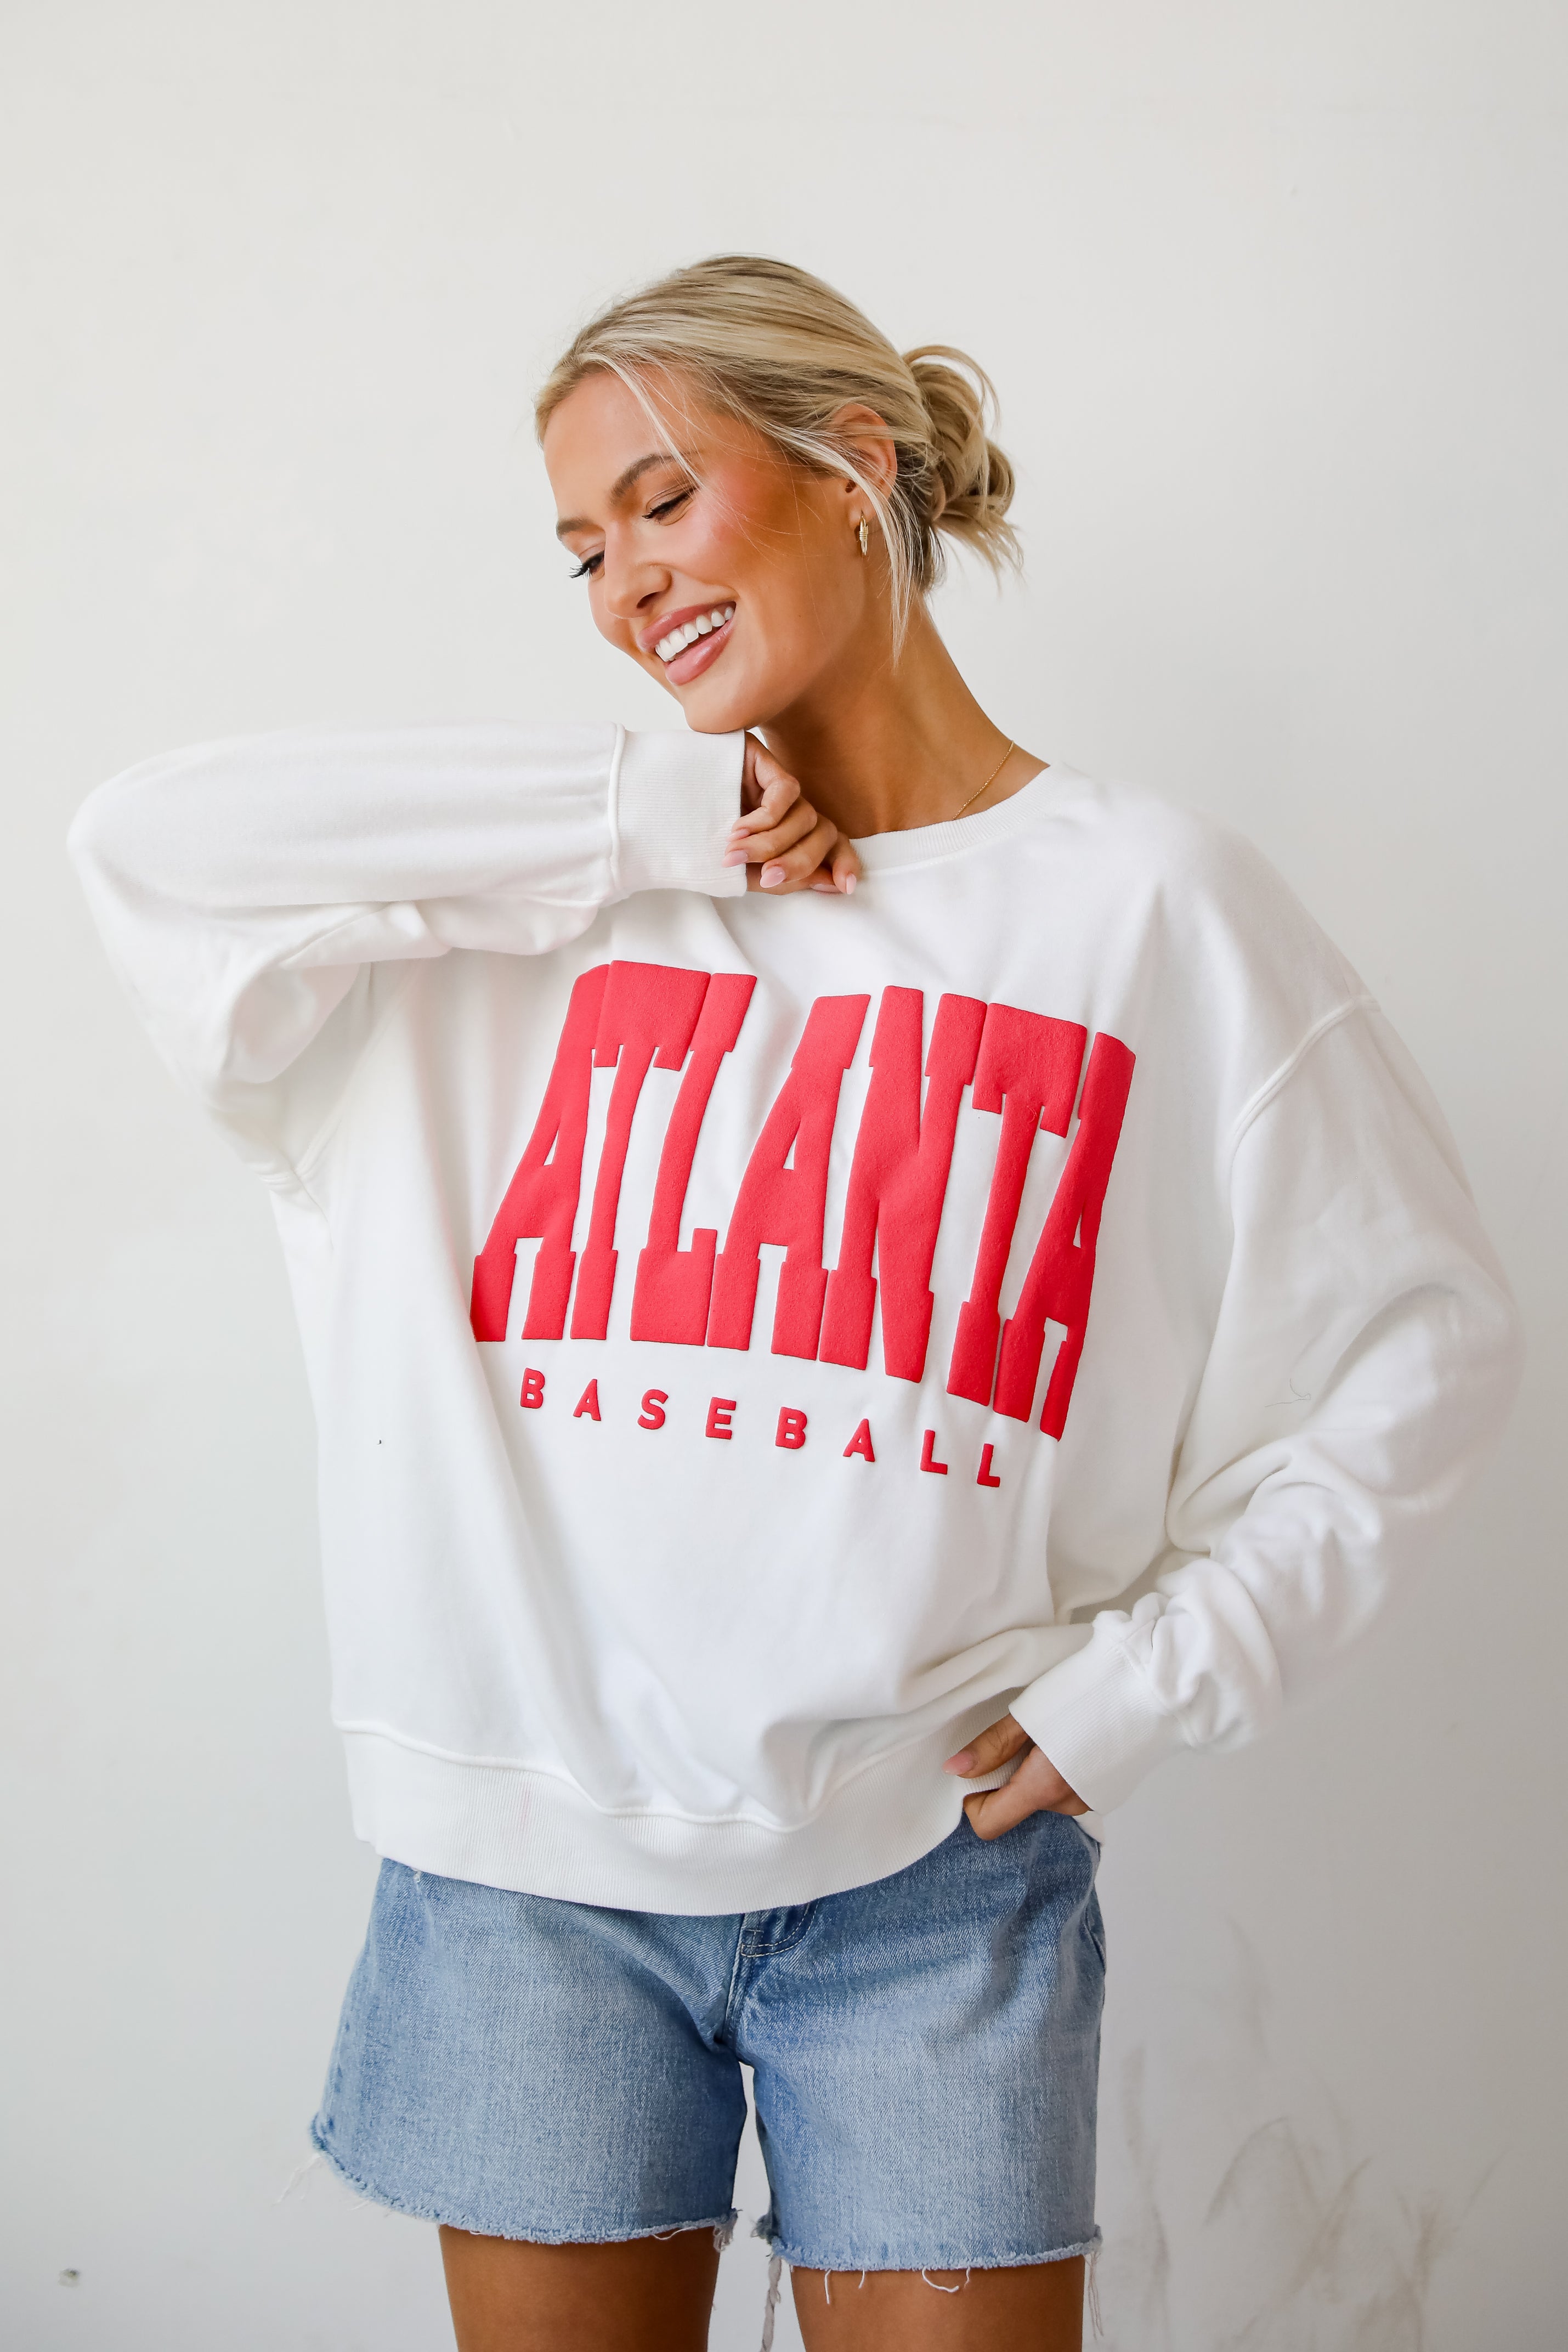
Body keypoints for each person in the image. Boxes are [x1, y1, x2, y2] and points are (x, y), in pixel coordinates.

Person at [69, 255, 1521, 2352]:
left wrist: (1148, 1685)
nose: (624, 583)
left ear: (854, 464)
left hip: (935, 1877)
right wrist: (653, 816)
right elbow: (146, 842)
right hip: (527, 1877)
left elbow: (1419, 1346)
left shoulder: (1155, 909)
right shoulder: (522, 917)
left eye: (662, 499)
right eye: (583, 547)